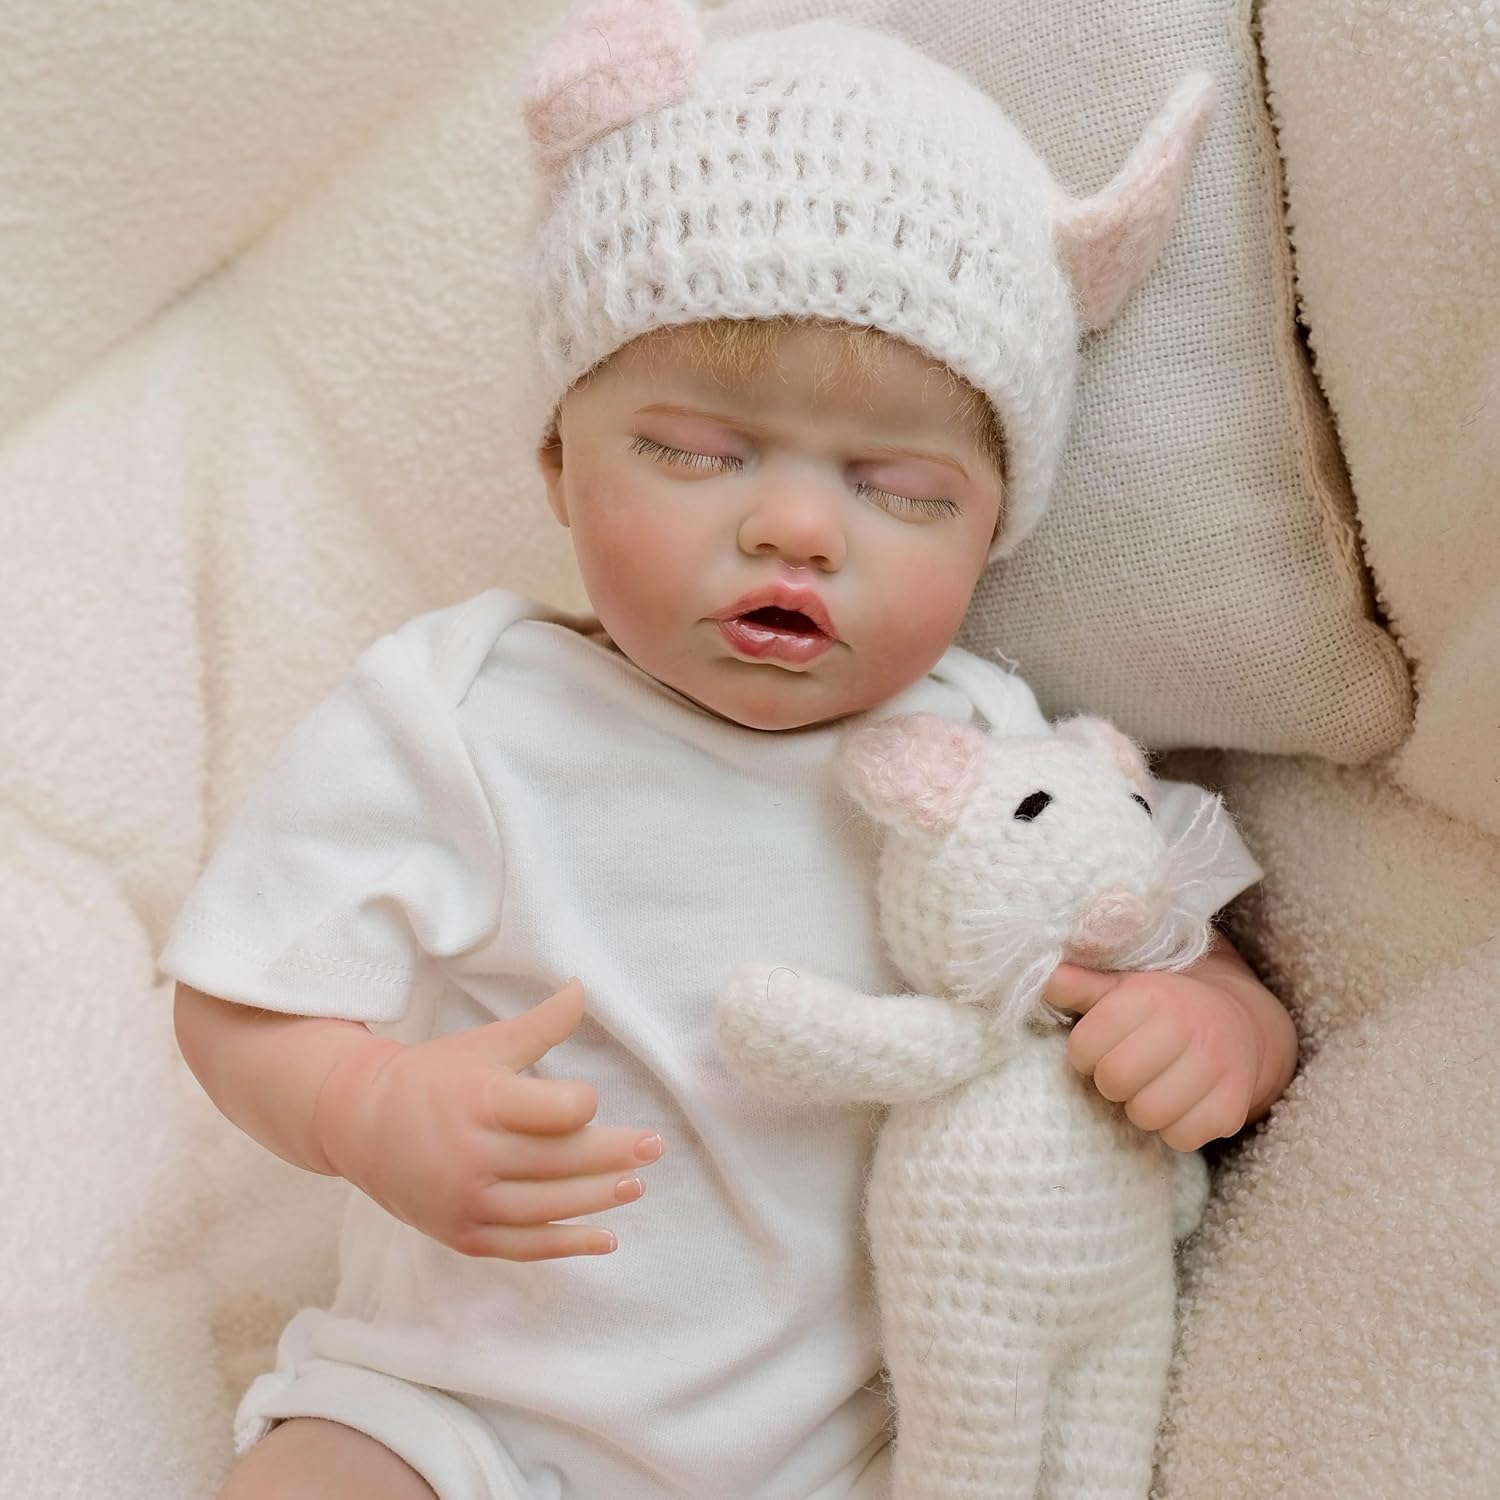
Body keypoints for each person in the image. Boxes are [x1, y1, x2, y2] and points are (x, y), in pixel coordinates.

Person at [163, 3, 1299, 1497]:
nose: (797, 527)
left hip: (849, 1444)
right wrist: (359, 1107)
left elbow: (1166, 944)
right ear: (561, 461)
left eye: (902, 490)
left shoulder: (994, 750)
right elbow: (239, 997)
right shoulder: (464, 713)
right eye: (698, 454)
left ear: (993, 529)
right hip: (461, 1417)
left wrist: (1219, 1031)